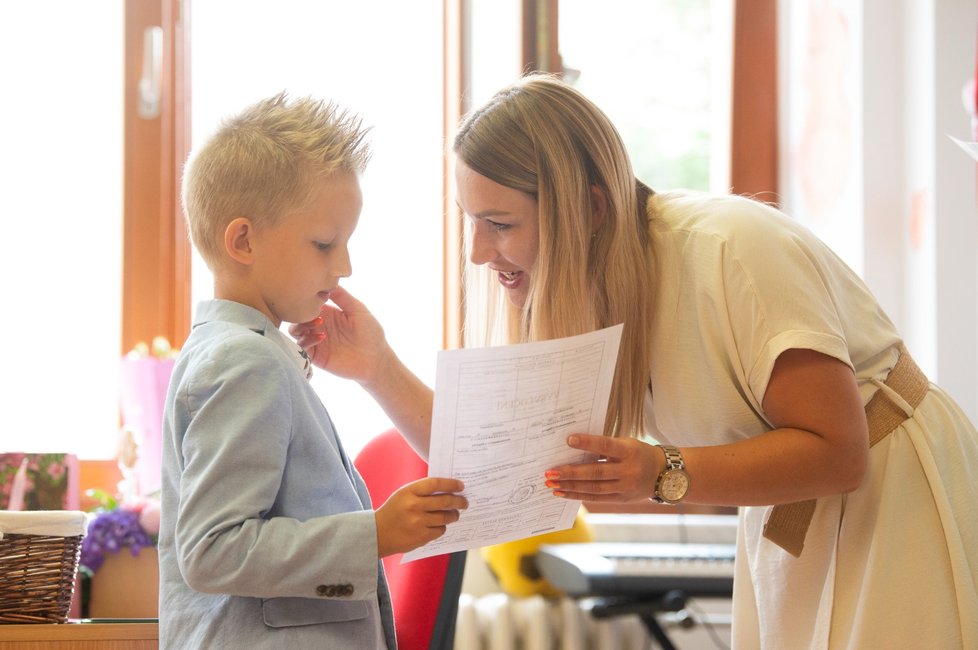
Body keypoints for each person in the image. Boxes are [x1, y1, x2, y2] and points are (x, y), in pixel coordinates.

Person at [292, 74, 978, 648]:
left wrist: (661, 472)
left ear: (587, 208)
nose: (478, 253)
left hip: (894, 497)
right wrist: (378, 368)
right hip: (796, 511)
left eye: (500, 225)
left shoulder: (731, 250)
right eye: (472, 222)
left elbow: (840, 452)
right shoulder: (581, 290)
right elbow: (503, 467)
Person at [159, 92, 467, 649]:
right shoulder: (244, 359)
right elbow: (212, 551)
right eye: (325, 244)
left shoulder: (244, 349)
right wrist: (375, 533)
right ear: (244, 240)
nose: (345, 265)